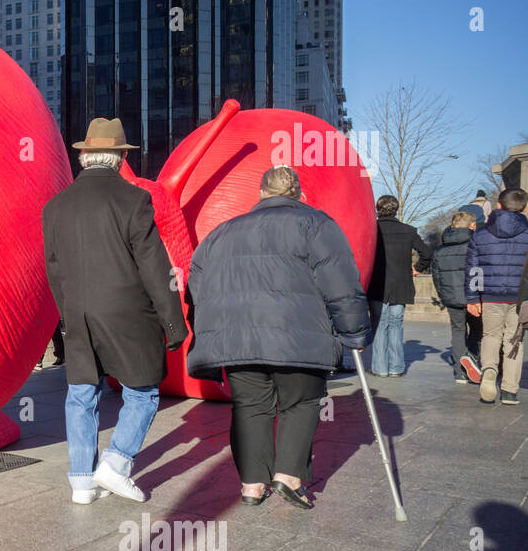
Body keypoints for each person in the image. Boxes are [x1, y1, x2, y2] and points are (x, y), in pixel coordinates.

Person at [185, 166, 369, 510]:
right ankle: (288, 476)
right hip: (300, 337)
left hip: (238, 340)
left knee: (251, 407)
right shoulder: (317, 225)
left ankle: (253, 485)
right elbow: (342, 283)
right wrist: (355, 332)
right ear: (299, 194)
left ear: (260, 193)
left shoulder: (222, 232)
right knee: (300, 403)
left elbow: (197, 286)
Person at [42, 117, 187, 504]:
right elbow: (156, 268)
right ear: (121, 157)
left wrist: (67, 313)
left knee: (80, 394)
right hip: (128, 313)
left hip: (77, 313)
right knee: (142, 392)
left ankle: (81, 482)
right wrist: (174, 323)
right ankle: (117, 462)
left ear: (85, 156)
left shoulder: (55, 207)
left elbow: (53, 269)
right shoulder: (135, 200)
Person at [465, 188, 528, 405]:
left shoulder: (480, 234)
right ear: (525, 207)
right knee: (514, 340)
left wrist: (472, 299)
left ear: (498, 205)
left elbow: (474, 270)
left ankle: (490, 368)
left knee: (490, 335)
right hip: (521, 297)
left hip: (490, 295)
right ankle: (510, 390)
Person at [366, 195, 432, 377]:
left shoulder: (371, 230)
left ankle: (380, 368)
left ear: (378, 208)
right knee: (396, 325)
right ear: (395, 209)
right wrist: (416, 269)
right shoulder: (408, 231)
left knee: (380, 326)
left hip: (377, 285)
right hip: (401, 284)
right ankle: (396, 367)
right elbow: (426, 253)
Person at [430, 211, 482, 382]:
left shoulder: (440, 249)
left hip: (451, 297)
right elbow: (479, 273)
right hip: (473, 297)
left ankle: (460, 372)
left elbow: (436, 276)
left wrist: (443, 295)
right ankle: (472, 360)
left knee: (458, 331)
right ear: (471, 225)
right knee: (477, 330)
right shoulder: (476, 245)